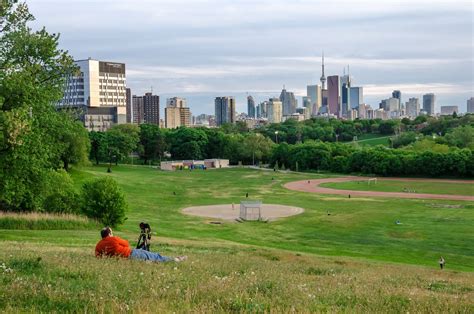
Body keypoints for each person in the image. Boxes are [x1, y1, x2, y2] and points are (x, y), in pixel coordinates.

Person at [95, 227, 187, 263]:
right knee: (155, 256)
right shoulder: (114, 239)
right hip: (131, 254)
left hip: (123, 259)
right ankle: (175, 260)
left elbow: (98, 257)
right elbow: (127, 244)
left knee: (149, 258)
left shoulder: (98, 245)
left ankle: (149, 263)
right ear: (109, 233)